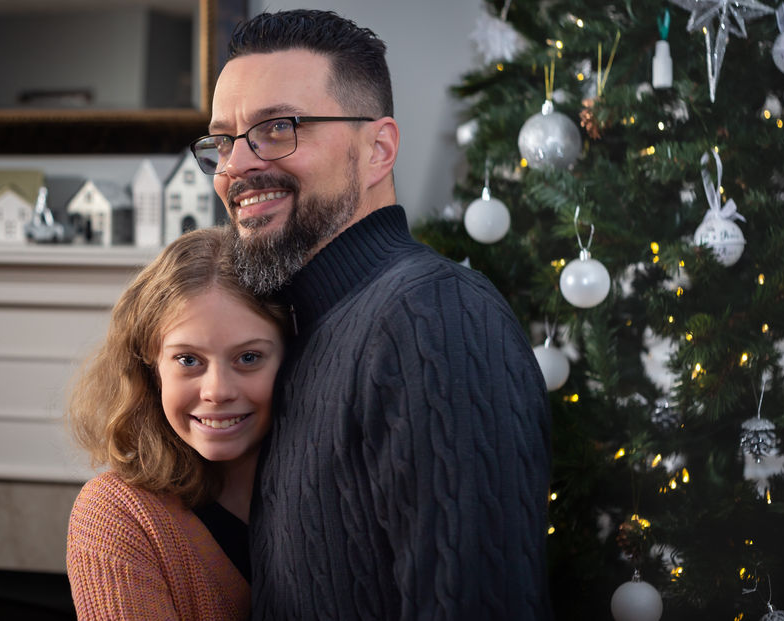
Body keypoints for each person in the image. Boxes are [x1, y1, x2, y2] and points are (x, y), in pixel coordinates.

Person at [189, 9, 553, 619]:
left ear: (378, 149)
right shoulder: (296, 331)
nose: (236, 167)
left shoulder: (434, 318)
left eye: (277, 128)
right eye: (223, 141)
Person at [65, 226, 287, 620]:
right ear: (151, 370)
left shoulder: (330, 490)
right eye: (188, 360)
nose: (217, 391)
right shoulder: (118, 515)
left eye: (249, 358)